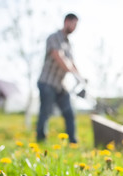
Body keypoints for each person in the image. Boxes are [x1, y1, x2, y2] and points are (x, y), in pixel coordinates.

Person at [36, 13, 83, 143]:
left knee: (69, 113)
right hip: (47, 82)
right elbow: (59, 58)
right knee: (45, 112)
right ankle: (40, 140)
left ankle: (73, 142)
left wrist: (81, 78)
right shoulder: (54, 38)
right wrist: (73, 73)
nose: (74, 27)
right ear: (67, 22)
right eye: (73, 24)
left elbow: (72, 63)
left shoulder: (68, 43)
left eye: (76, 25)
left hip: (61, 85)